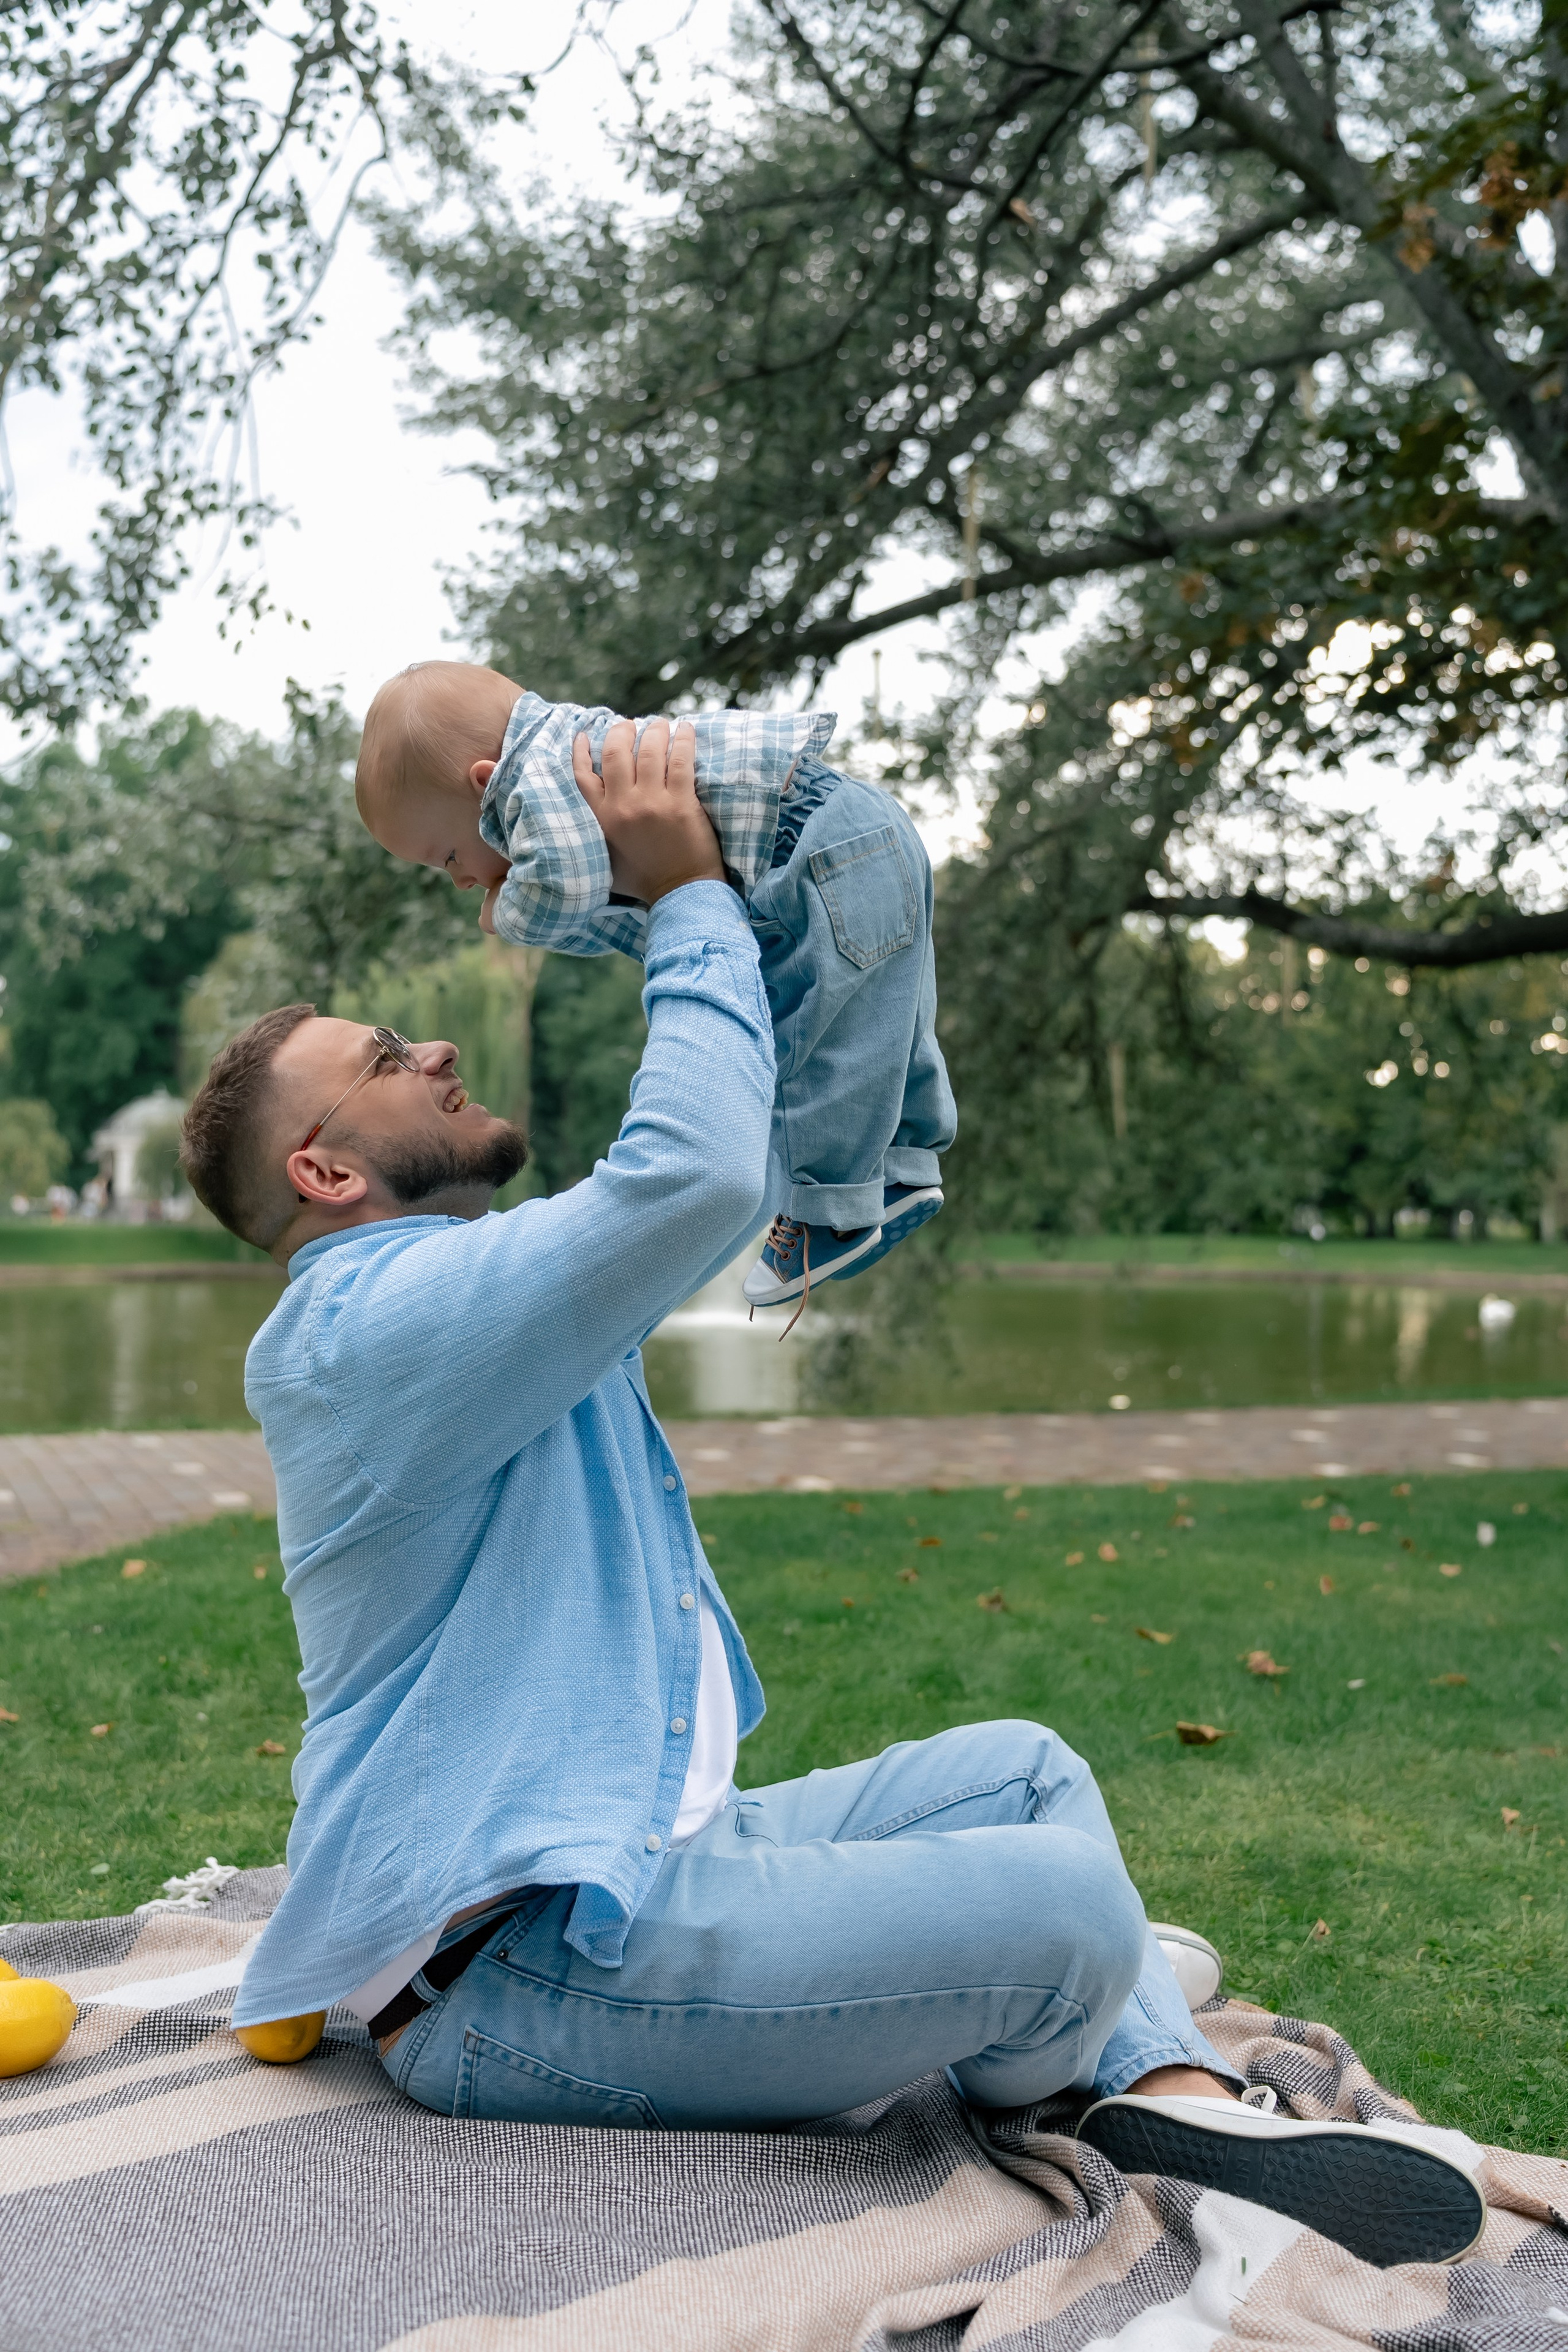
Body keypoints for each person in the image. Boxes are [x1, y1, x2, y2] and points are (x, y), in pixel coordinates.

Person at [180, 720, 1482, 2269]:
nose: (439, 1049)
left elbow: (687, 1161)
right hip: (516, 1981)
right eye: (390, 1061)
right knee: (1065, 1905)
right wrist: (681, 897)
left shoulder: (457, 1290)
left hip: (641, 1864)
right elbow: (691, 1176)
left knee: (1023, 1771)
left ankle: (1159, 2082)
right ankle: (1070, 1995)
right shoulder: (365, 1327)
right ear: (325, 1172)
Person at [353, 660, 955, 1314]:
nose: (462, 881)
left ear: (484, 785)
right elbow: (609, 917)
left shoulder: (537, 780)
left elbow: (568, 886)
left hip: (808, 851)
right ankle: (906, 1166)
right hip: (863, 829)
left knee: (810, 1043)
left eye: (447, 858)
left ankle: (824, 1215)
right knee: (888, 1019)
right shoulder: (576, 754)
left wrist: (505, 913)